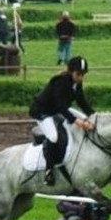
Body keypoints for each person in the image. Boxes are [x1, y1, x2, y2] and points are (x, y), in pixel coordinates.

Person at [28, 56, 95, 186]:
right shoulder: (60, 83)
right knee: (53, 137)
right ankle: (49, 170)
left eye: (83, 75)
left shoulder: (77, 83)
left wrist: (94, 115)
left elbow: (82, 102)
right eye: (79, 74)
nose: (81, 78)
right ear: (71, 72)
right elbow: (61, 107)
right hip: (42, 111)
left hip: (57, 109)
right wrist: (78, 122)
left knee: (87, 119)